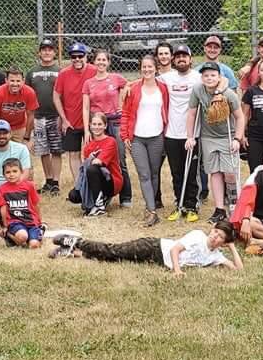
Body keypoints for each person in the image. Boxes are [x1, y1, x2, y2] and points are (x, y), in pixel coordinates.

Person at [49, 221, 243, 275]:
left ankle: (74, 253)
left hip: (156, 261)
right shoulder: (198, 236)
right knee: (114, 250)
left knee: (115, 260)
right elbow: (176, 249)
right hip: (154, 247)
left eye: (221, 238)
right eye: (216, 232)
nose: (215, 237)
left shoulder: (215, 256)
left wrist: (232, 247)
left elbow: (238, 270)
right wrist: (177, 271)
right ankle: (76, 241)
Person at [186, 61, 245, 223]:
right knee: (215, 172)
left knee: (230, 172)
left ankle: (234, 204)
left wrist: (237, 139)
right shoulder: (198, 90)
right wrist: (190, 136)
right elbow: (191, 114)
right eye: (206, 75)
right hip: (208, 137)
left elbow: (240, 117)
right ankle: (219, 209)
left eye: (213, 75)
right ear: (202, 77)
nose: (209, 78)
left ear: (219, 77)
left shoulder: (229, 94)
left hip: (227, 136)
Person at [121, 55, 169, 226]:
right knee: (144, 174)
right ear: (140, 68)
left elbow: (167, 109)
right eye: (144, 67)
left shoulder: (163, 88)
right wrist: (125, 135)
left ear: (156, 68)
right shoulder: (133, 89)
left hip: (156, 137)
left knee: (154, 173)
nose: (147, 70)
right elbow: (125, 113)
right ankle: (152, 210)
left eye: (150, 67)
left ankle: (150, 206)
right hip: (137, 139)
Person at [82, 49, 131, 206]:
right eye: (98, 60)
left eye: (104, 60)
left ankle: (125, 196)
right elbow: (85, 108)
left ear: (108, 62)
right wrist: (86, 130)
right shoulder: (88, 83)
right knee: (98, 160)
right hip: (97, 125)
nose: (101, 62)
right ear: (94, 62)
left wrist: (122, 103)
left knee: (119, 159)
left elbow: (129, 85)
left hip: (115, 123)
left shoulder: (115, 78)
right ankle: (103, 194)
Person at [161, 45, 202, 221]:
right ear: (173, 60)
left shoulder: (198, 78)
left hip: (191, 134)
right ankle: (179, 204)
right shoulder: (166, 78)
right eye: (177, 57)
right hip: (171, 133)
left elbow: (220, 82)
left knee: (191, 171)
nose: (181, 59)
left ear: (191, 59)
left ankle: (192, 206)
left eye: (184, 56)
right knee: (176, 172)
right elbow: (145, 80)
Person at [200, 35, 239, 202]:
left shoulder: (227, 71)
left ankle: (231, 198)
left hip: (225, 128)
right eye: (209, 46)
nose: (212, 49)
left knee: (228, 169)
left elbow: (234, 95)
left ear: (220, 49)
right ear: (204, 48)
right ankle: (207, 196)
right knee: (211, 168)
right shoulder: (198, 70)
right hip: (208, 129)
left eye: (216, 47)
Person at [53, 42, 97, 187]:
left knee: (93, 153)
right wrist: (64, 119)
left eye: (80, 56)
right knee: (74, 154)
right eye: (73, 56)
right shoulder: (64, 73)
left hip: (91, 121)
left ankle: (94, 183)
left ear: (86, 57)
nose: (77, 59)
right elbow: (56, 96)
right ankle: (79, 185)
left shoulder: (94, 70)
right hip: (71, 121)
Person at [26, 38, 63, 195]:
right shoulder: (32, 72)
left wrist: (63, 116)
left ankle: (56, 181)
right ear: (39, 52)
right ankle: (48, 180)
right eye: (44, 49)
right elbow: (27, 95)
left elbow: (64, 95)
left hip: (55, 115)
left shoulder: (60, 71)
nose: (47, 52)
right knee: (43, 149)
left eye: (50, 49)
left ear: (54, 52)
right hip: (38, 116)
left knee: (56, 149)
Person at [76, 112, 123, 216]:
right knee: (74, 196)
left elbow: (98, 162)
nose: (97, 127)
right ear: (90, 125)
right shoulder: (88, 146)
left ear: (105, 126)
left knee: (93, 169)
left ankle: (99, 207)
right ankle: (99, 198)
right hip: (94, 178)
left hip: (111, 181)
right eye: (94, 124)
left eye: (100, 124)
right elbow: (84, 165)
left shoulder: (111, 141)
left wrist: (89, 159)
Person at [0, 158, 44, 248]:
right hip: (15, 221)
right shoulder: (2, 189)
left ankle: (38, 233)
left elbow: (35, 204)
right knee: (23, 236)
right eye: (8, 172)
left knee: (34, 245)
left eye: (15, 171)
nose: (11, 174)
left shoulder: (29, 186)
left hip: (30, 221)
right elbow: (3, 208)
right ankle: (9, 235)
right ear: (3, 174)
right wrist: (5, 225)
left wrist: (39, 220)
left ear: (21, 172)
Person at [0, 65, 39, 144]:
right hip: (1, 126)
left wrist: (27, 136)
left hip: (20, 127)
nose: (15, 84)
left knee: (23, 153)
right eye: (12, 81)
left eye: (18, 81)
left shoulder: (29, 92)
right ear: (6, 80)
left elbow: (31, 115)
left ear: (23, 81)